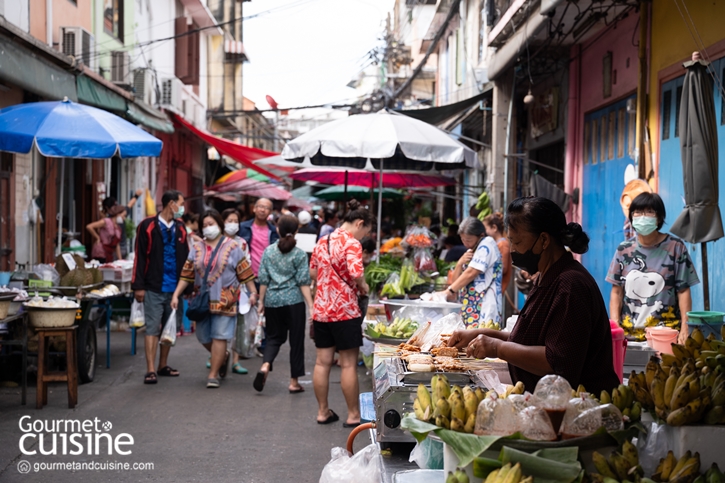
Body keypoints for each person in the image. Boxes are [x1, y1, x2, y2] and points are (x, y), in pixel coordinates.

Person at [447, 197, 620, 394]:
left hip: (579, 408)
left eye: (516, 241)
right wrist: (483, 335)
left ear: (544, 240)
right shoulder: (545, 277)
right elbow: (530, 340)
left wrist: (497, 348)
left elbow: (557, 361)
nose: (512, 250)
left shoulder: (570, 285)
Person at [171, 210, 256, 388]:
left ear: (219, 224)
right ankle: (222, 356)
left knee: (220, 336)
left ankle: (213, 374)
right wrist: (176, 294)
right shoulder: (196, 248)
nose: (208, 228)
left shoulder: (233, 247)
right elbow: (187, 274)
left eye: (211, 224)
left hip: (226, 299)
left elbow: (245, 273)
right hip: (203, 300)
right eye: (205, 225)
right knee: (203, 336)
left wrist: (253, 293)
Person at [310, 199, 374, 427]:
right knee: (347, 364)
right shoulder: (352, 244)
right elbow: (356, 273)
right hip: (345, 310)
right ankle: (353, 415)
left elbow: (313, 274)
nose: (363, 237)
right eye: (365, 231)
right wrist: (363, 286)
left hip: (321, 310)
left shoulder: (322, 241)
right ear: (359, 223)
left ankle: (322, 412)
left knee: (322, 362)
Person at [607, 192, 699, 344]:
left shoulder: (675, 247)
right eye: (638, 212)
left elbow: (683, 290)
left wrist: (685, 327)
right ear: (631, 217)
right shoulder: (624, 250)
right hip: (629, 336)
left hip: (667, 334)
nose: (643, 217)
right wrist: (616, 328)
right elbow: (616, 292)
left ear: (659, 217)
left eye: (649, 212)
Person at [132, 190, 189, 385]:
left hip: (175, 289)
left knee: (169, 328)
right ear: (171, 203)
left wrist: (188, 286)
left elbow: (187, 258)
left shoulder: (181, 228)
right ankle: (150, 369)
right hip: (153, 286)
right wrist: (138, 286)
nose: (182, 208)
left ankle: (162, 365)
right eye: (180, 203)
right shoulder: (147, 226)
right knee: (152, 328)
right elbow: (139, 257)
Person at [254, 215, 314, 393]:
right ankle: (294, 382)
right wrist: (310, 305)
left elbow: (263, 279)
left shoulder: (269, 251)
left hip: (273, 301)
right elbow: (303, 282)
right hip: (294, 302)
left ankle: (265, 365)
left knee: (273, 337)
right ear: (296, 231)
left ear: (277, 230)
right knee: (296, 341)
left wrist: (261, 301)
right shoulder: (300, 254)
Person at [436, 217, 503, 328]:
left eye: (468, 240)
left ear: (481, 235)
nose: (465, 243)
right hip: (470, 306)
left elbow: (471, 272)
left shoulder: (487, 244)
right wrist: (459, 263)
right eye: (463, 239)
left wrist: (449, 291)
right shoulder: (471, 250)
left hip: (484, 304)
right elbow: (455, 281)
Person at [221, 208, 258, 374]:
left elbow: (247, 265)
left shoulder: (242, 243)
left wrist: (251, 292)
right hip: (218, 290)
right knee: (219, 325)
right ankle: (215, 356)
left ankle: (235, 361)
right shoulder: (216, 241)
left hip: (239, 289)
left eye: (236, 221)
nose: (233, 224)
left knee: (238, 326)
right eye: (229, 221)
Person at [238, 198, 280, 277]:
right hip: (246, 276)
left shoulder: (274, 232)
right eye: (260, 206)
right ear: (254, 209)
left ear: (270, 212)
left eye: (267, 208)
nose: (263, 210)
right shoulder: (242, 227)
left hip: (267, 277)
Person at [483, 212, 513, 293]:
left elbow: (503, 268)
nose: (484, 232)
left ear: (494, 228)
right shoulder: (498, 244)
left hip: (497, 288)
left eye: (486, 229)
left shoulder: (502, 244)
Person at [87, 198, 124, 263]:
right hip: (100, 252)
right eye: (123, 216)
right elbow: (89, 226)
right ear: (117, 214)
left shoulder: (118, 228)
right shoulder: (106, 221)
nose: (124, 218)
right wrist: (97, 237)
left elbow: (117, 245)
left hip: (109, 253)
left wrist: (120, 261)